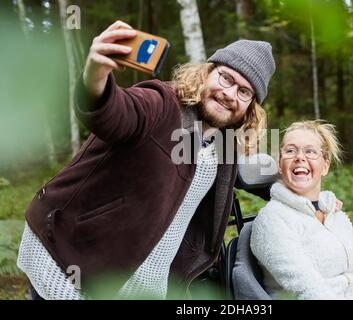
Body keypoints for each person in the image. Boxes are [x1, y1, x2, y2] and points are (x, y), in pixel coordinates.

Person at [16, 20, 276, 300]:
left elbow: (248, 173)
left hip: (145, 282)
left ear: (251, 106)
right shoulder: (161, 105)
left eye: (244, 92)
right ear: (208, 72)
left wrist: (308, 195)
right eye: (226, 78)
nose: (229, 94)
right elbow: (114, 113)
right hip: (73, 261)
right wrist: (95, 76)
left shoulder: (224, 145)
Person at [250, 120, 353, 300]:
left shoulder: (334, 214)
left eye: (310, 151)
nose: (300, 157)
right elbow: (309, 289)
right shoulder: (272, 219)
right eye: (290, 151)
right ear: (280, 164)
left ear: (325, 166)